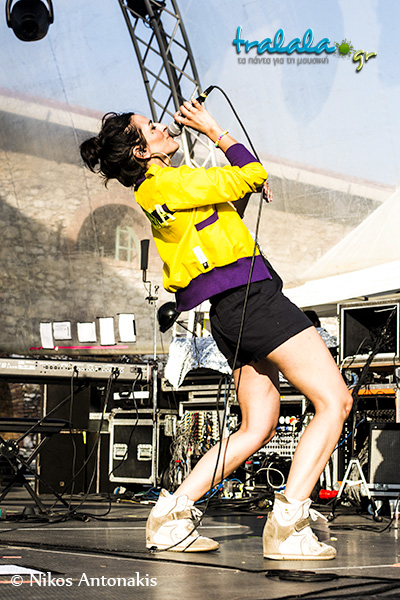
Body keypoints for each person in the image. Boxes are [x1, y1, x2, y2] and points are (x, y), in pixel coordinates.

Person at [80, 98, 353, 560]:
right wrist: (213, 130)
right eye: (152, 127)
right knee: (335, 401)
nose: (164, 126)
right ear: (142, 152)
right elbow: (252, 171)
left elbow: (220, 220)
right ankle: (289, 523)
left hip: (230, 312)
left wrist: (243, 187)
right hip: (254, 301)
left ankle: (171, 516)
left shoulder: (160, 190)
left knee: (258, 425)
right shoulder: (171, 182)